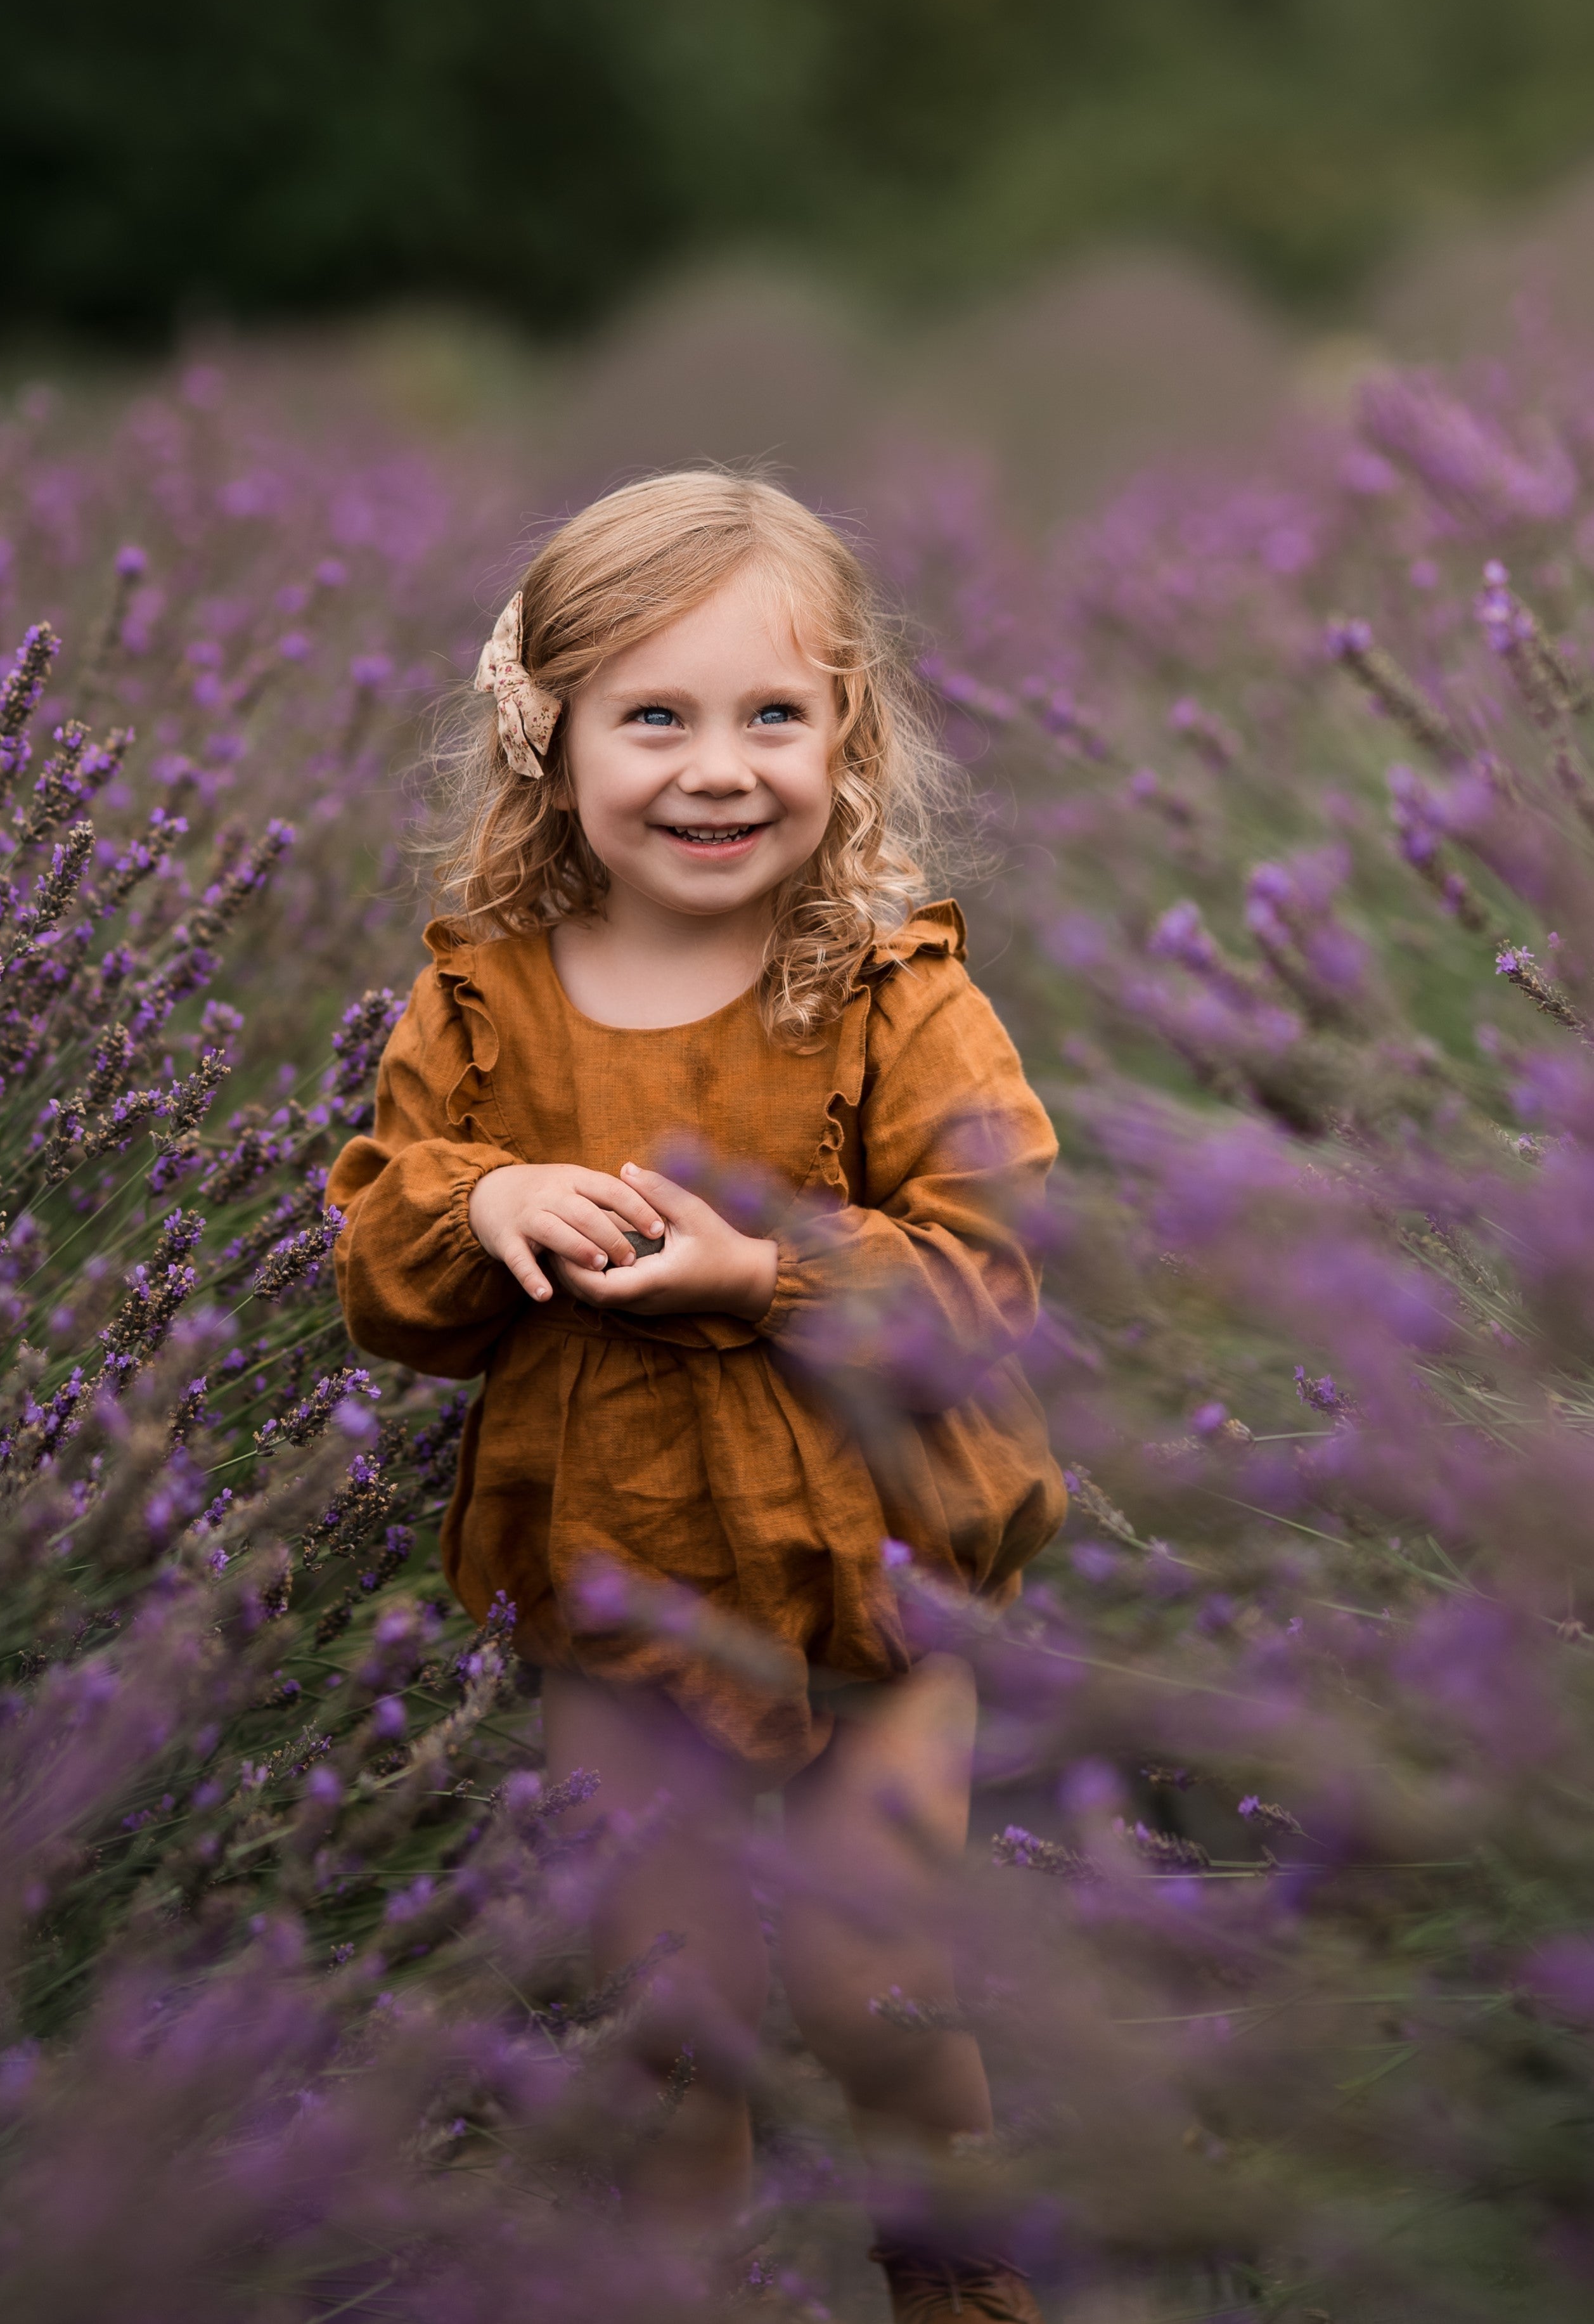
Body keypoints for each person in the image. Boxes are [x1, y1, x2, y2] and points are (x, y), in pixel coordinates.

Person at [326, 472, 1064, 2323]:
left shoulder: (895, 995)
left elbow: (980, 1286)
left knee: (870, 1974)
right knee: (668, 2021)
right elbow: (390, 1277)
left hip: (876, 1574)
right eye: (651, 715)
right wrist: (481, 1196)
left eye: (770, 716)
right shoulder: (484, 1001)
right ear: (545, 741)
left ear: (847, 737)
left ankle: (964, 2295)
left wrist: (768, 1270)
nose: (714, 766)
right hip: (617, 1569)